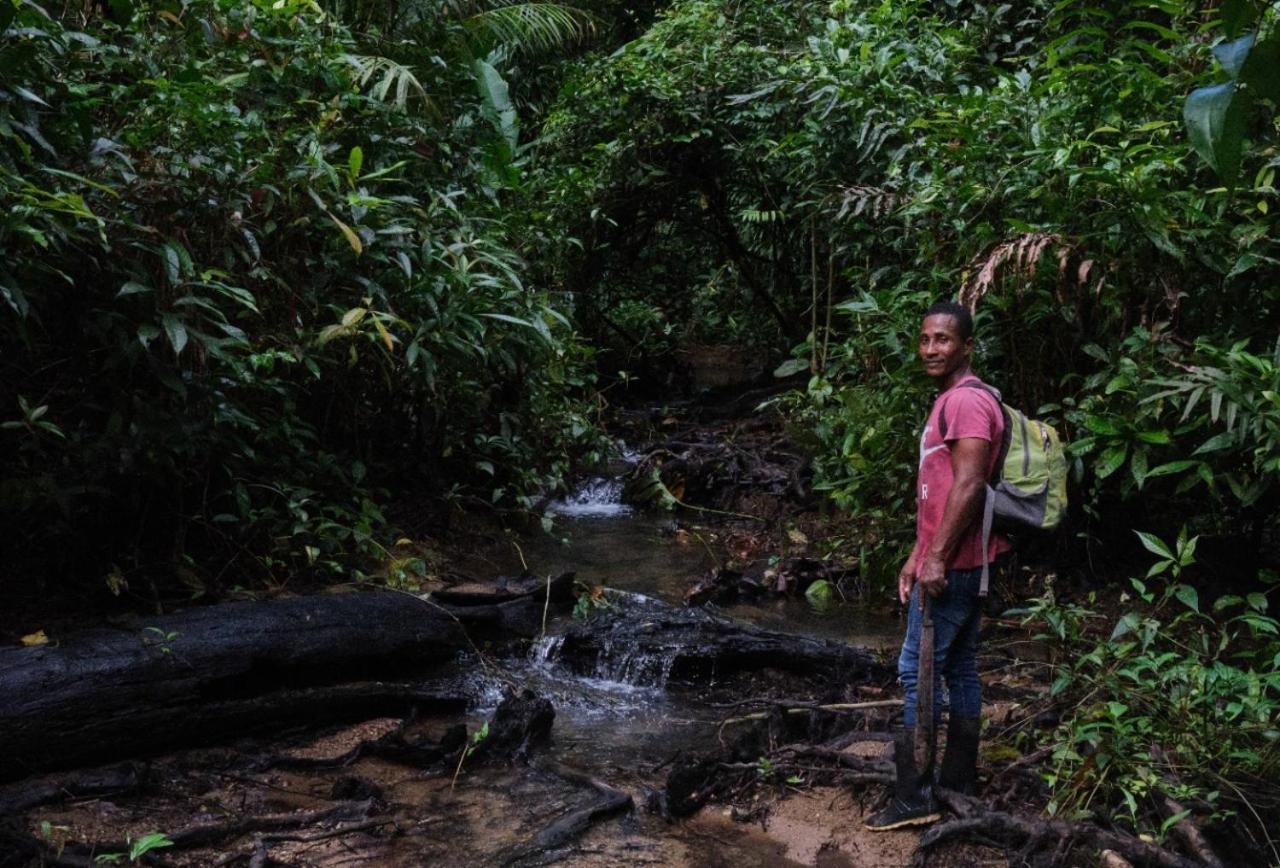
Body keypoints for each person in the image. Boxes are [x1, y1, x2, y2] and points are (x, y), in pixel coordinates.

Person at [865, 300, 1010, 831]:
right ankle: (958, 780)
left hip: (957, 564)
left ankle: (913, 796)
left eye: (944, 340)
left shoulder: (967, 404)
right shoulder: (952, 399)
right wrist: (916, 553)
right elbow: (941, 490)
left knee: (915, 670)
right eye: (926, 338)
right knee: (961, 665)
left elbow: (970, 485)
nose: (932, 348)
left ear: (966, 346)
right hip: (964, 559)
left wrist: (938, 559)